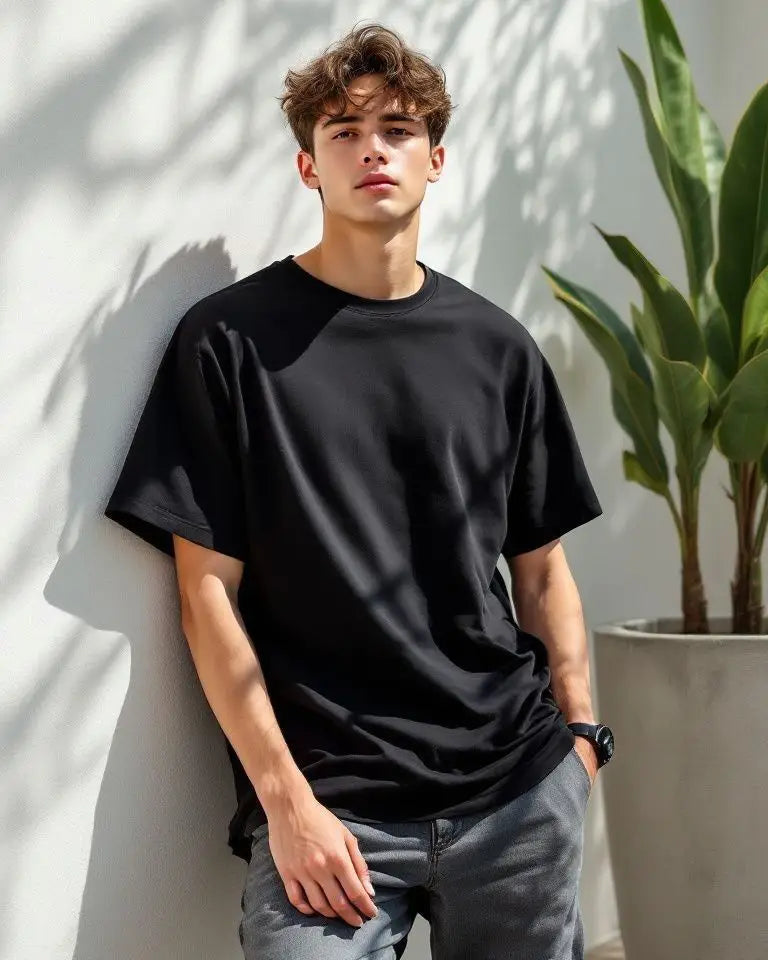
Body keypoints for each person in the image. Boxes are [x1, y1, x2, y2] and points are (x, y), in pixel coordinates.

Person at [104, 20, 613, 960]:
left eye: (398, 129)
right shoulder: (227, 343)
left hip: (516, 794)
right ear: (309, 166)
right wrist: (284, 803)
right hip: (330, 808)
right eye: (344, 131)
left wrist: (580, 746)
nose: (372, 148)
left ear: (435, 159)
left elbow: (542, 571)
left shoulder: (499, 349)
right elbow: (205, 594)